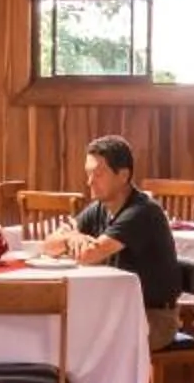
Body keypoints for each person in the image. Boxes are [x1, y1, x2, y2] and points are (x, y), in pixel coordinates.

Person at [60, 134, 184, 349]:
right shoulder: (100, 207)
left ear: (123, 175)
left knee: (85, 341)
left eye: (98, 174)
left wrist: (71, 237)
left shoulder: (143, 211)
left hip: (153, 318)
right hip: (116, 311)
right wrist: (73, 236)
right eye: (88, 174)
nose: (90, 182)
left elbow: (90, 255)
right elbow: (49, 243)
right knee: (66, 333)